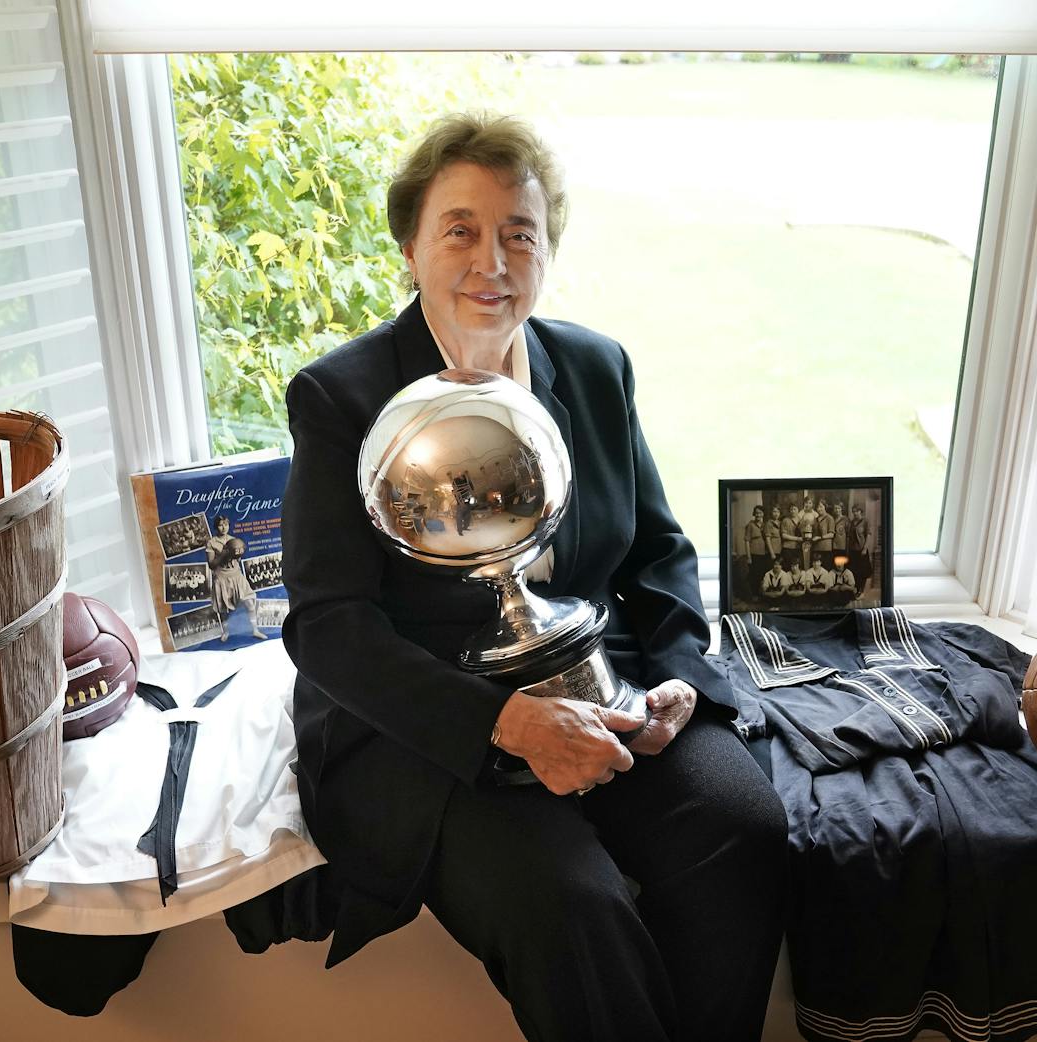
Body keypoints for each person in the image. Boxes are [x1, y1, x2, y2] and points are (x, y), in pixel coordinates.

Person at [281, 113, 787, 1042]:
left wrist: (680, 673)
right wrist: (504, 723)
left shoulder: (593, 368)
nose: (493, 260)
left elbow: (657, 552)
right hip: (437, 730)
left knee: (742, 828)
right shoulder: (342, 397)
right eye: (461, 230)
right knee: (571, 906)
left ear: (548, 251)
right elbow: (327, 627)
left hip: (608, 684)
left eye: (521, 233)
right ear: (410, 249)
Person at [206, 515, 266, 642]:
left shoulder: (234, 540)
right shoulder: (212, 542)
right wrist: (223, 554)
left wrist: (238, 552)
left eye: (226, 524)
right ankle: (226, 632)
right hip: (222, 578)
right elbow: (211, 565)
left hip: (236, 576)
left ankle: (255, 630)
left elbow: (238, 559)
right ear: (216, 526)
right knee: (223, 610)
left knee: (250, 603)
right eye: (221, 525)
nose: (224, 527)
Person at [744, 505, 769, 599]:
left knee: (762, 574)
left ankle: (762, 594)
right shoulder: (750, 525)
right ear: (754, 514)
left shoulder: (765, 525)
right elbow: (747, 541)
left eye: (760, 513)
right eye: (757, 513)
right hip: (754, 554)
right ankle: (754, 594)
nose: (758, 515)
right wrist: (748, 556)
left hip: (764, 554)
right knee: (754, 574)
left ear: (763, 514)